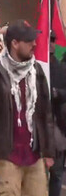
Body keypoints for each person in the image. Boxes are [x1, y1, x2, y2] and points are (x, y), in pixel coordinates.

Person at [0, 20, 55, 196]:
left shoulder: (36, 70)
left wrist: (49, 151)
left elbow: (46, 113)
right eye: (29, 41)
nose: (34, 44)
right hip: (6, 155)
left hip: (34, 154)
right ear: (14, 43)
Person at [49, 32, 66, 196]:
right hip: (37, 125)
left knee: (57, 172)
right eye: (48, 40)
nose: (51, 44)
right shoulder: (34, 66)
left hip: (58, 125)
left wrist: (57, 93)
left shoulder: (62, 68)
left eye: (53, 40)